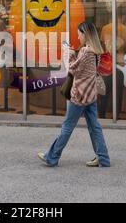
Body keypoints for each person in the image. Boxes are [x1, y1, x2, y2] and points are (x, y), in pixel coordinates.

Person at [38, 22, 110, 168]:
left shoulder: (86, 51)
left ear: (85, 34)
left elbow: (72, 69)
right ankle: (103, 159)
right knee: (94, 127)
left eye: (79, 34)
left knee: (67, 127)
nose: (78, 37)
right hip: (91, 94)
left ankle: (51, 157)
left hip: (79, 95)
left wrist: (67, 53)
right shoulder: (97, 51)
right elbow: (84, 70)